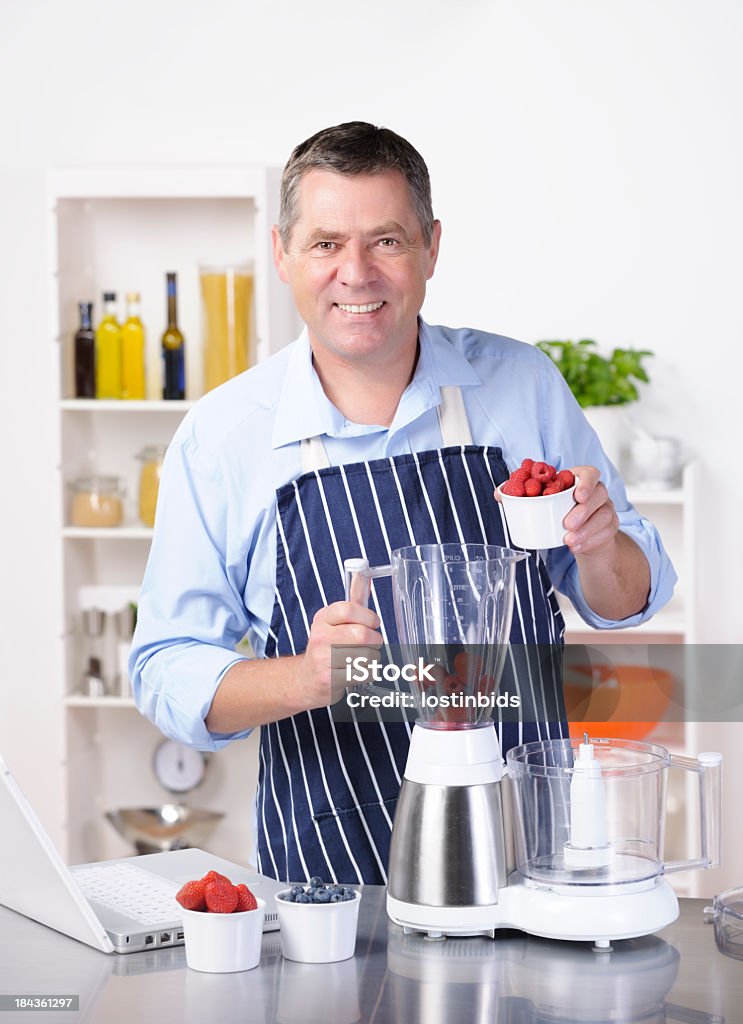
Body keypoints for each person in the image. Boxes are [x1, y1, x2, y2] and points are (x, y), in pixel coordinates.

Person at [129, 121, 676, 885]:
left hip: (527, 859)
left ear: (430, 247)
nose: (356, 273)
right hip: (331, 879)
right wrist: (309, 677)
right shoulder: (221, 438)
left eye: (385, 240)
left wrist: (597, 545)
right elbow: (164, 670)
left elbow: (626, 599)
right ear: (282, 252)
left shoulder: (519, 385)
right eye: (325, 244)